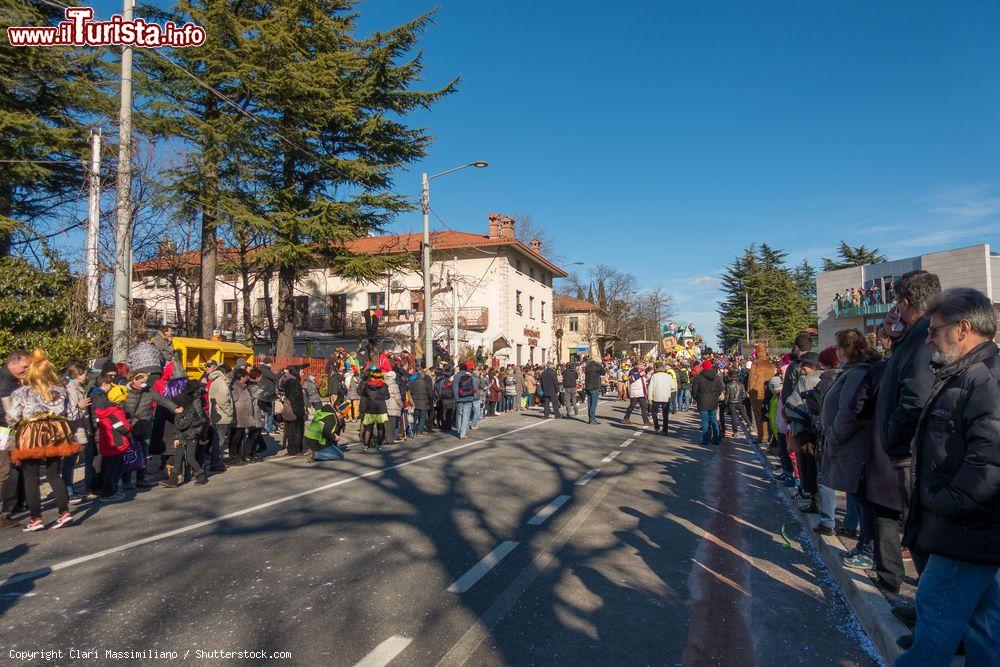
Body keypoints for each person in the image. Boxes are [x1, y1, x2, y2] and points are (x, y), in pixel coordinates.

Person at [896, 288, 999, 666]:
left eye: (934, 329)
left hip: (966, 529)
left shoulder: (985, 379)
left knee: (934, 619)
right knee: (984, 626)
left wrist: (940, 504)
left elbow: (988, 466)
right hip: (972, 529)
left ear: (963, 329)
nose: (927, 338)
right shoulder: (968, 374)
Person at [5, 350, 83, 531]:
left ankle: (36, 518)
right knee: (54, 474)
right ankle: (64, 513)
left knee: (31, 476)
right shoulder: (61, 391)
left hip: (31, 433)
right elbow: (72, 414)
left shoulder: (22, 392)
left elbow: (13, 417)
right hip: (56, 432)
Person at [785, 352, 821, 504]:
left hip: (805, 429)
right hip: (821, 429)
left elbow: (792, 404)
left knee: (807, 465)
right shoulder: (826, 378)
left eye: (804, 365)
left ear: (812, 366)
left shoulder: (805, 381)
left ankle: (812, 497)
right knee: (819, 467)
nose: (801, 369)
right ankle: (818, 501)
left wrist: (788, 414)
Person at [0, 350, 30, 528]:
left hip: (7, 430)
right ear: (12, 365)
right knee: (4, 470)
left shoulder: (12, 379)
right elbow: (5, 412)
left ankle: (14, 504)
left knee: (13, 466)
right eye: (24, 366)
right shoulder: (5, 382)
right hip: (4, 431)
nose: (27, 369)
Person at [160, 380, 208, 487]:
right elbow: (179, 423)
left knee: (190, 458)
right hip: (183, 433)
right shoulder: (186, 401)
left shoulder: (194, 403)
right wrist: (177, 436)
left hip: (191, 433)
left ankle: (201, 476)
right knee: (178, 457)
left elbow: (191, 421)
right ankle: (173, 480)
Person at [206, 363, 233, 471]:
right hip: (221, 415)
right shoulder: (221, 382)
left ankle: (217, 461)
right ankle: (216, 463)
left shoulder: (215, 381)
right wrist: (230, 412)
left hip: (216, 415)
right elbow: (223, 400)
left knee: (217, 441)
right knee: (219, 442)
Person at [747, 343, 776, 443]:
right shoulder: (770, 364)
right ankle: (768, 435)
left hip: (756, 392)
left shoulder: (755, 363)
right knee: (767, 414)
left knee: (758, 415)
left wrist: (749, 392)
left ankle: (761, 436)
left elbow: (751, 379)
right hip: (768, 391)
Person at [691, 360, 723, 446]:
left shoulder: (698, 377)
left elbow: (694, 390)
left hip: (702, 401)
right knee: (714, 420)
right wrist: (716, 395)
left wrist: (696, 397)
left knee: (705, 421)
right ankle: (716, 438)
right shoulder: (716, 377)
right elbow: (720, 388)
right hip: (713, 400)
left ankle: (706, 439)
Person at [360, 367, 390, 450]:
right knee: (380, 427)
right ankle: (379, 445)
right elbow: (387, 396)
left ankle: (366, 445)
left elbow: (364, 394)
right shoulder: (384, 385)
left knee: (368, 428)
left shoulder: (367, 384)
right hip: (381, 408)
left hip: (369, 407)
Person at [280, 366, 306, 456]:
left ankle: (292, 449)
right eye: (301, 371)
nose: (302, 373)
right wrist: (300, 412)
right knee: (296, 431)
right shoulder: (294, 383)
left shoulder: (288, 381)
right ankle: (294, 450)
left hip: (287, 409)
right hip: (293, 410)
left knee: (290, 431)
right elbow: (296, 399)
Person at [647, 362, 676, 436]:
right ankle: (665, 430)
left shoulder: (654, 376)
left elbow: (650, 388)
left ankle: (657, 427)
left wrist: (649, 398)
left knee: (654, 412)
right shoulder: (668, 376)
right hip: (666, 397)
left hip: (656, 396)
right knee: (665, 414)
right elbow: (673, 388)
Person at [722, 370, 750, 440]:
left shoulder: (728, 385)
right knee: (744, 413)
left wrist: (725, 403)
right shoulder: (741, 384)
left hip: (731, 402)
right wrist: (741, 399)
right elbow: (744, 395)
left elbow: (727, 395)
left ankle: (735, 431)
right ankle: (750, 425)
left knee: (733, 417)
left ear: (731, 377)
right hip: (739, 401)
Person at [453, 362, 477, 438]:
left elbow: (454, 388)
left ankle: (459, 431)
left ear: (459, 368)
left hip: (459, 398)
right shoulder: (469, 376)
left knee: (459, 414)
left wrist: (456, 397)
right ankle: (462, 434)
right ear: (466, 369)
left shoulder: (456, 376)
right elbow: (474, 388)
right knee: (466, 415)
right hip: (468, 397)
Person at [409, 367, 433, 436]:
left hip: (415, 402)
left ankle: (413, 431)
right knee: (422, 417)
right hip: (424, 402)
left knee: (415, 417)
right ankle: (419, 431)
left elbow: (410, 391)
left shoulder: (412, 383)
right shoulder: (426, 383)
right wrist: (431, 399)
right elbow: (430, 393)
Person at [583, 356, 605, 424]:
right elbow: (603, 372)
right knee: (594, 404)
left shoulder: (587, 366)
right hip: (594, 386)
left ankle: (591, 419)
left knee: (589, 404)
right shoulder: (597, 366)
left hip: (587, 386)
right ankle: (592, 419)